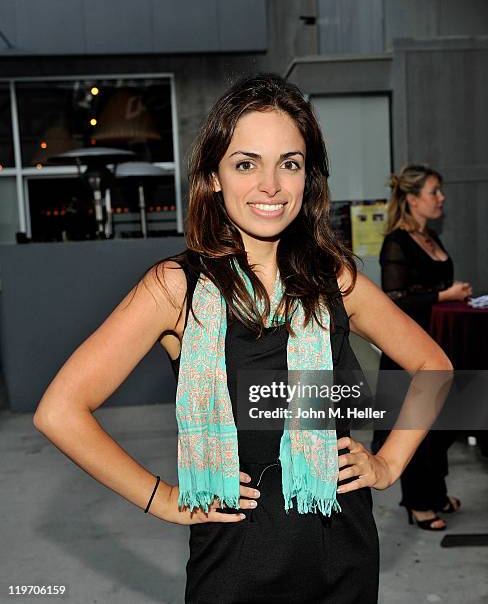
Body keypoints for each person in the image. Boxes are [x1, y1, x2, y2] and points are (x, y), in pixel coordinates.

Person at [33, 76, 452, 603]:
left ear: (309, 178)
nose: (271, 185)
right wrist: (162, 498)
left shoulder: (337, 281)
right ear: (213, 176)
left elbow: (434, 368)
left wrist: (388, 465)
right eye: (246, 162)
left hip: (343, 556)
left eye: (290, 163)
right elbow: (60, 411)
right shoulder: (175, 287)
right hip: (235, 567)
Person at [373, 164, 472, 531]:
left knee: (442, 427)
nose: (441, 197)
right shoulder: (396, 241)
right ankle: (418, 503)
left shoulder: (431, 237)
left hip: (438, 346)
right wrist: (444, 294)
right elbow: (394, 298)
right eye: (434, 192)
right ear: (412, 199)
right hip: (409, 354)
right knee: (418, 427)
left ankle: (436, 493)